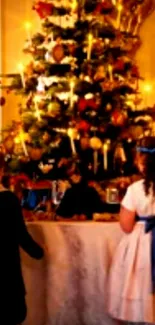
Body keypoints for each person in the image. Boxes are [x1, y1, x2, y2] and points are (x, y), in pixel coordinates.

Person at [107, 136, 155, 324]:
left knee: (139, 281)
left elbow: (126, 226)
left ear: (142, 162)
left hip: (142, 242)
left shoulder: (135, 189)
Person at [0, 153, 44, 325]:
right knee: (12, 314)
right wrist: (40, 252)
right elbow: (21, 235)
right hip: (5, 276)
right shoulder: (8, 200)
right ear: (2, 171)